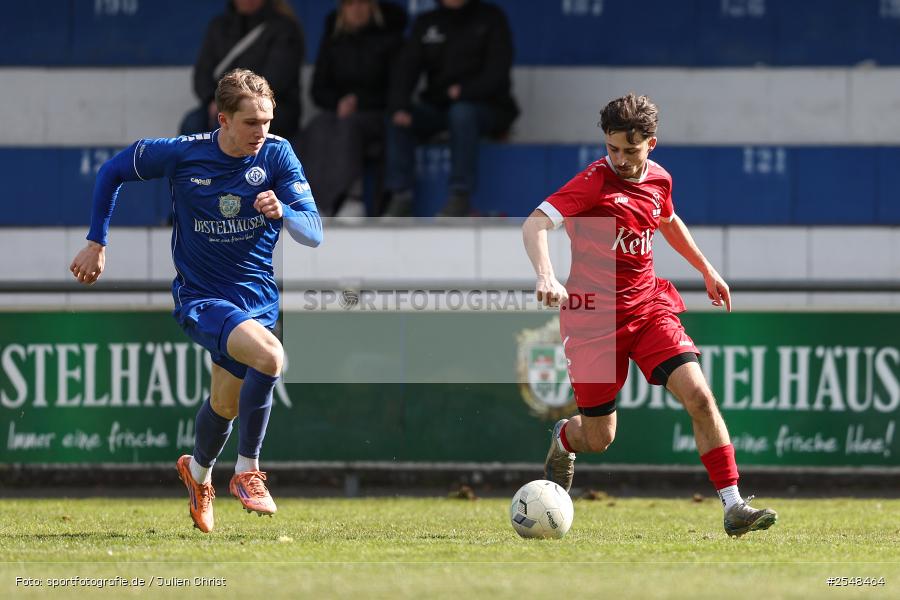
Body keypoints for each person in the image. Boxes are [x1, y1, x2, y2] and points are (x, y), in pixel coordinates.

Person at [70, 69, 323, 533]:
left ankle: (198, 473)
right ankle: (248, 471)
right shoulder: (184, 153)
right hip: (202, 298)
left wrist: (285, 210)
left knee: (225, 404)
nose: (261, 132)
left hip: (258, 302)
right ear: (223, 119)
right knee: (271, 356)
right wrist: (96, 241)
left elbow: (314, 232)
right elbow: (112, 172)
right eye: (250, 122)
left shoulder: (278, 154)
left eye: (267, 120)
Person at [522, 93, 777, 537]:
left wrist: (707, 269)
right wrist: (546, 275)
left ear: (651, 144)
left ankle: (734, 505)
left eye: (630, 150)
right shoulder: (593, 182)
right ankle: (565, 437)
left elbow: (668, 220)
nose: (619, 159)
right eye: (612, 148)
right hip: (593, 322)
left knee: (699, 396)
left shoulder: (660, 179)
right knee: (599, 438)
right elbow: (535, 224)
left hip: (648, 309)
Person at [382, 0, 519, 217]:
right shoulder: (427, 23)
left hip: (488, 107)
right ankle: (400, 195)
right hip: (439, 107)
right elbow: (405, 70)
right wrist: (399, 106)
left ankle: (459, 196)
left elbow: (498, 73)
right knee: (398, 118)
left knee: (462, 113)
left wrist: (464, 91)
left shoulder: (490, 18)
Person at [300, 0, 406, 219]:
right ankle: (317, 203)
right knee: (317, 126)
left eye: (362, 3)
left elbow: (397, 88)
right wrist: (338, 102)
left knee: (348, 127)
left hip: (377, 113)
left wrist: (359, 102)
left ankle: (350, 198)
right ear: (342, 9)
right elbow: (318, 88)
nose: (357, 9)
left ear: (373, 7)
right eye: (350, 4)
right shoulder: (334, 38)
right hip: (338, 110)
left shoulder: (390, 37)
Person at [181, 0, 305, 140]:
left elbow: (276, 80)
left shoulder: (283, 28)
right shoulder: (219, 26)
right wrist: (213, 99)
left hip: (270, 107)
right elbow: (202, 75)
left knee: (231, 124)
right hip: (220, 104)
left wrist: (236, 103)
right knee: (193, 123)